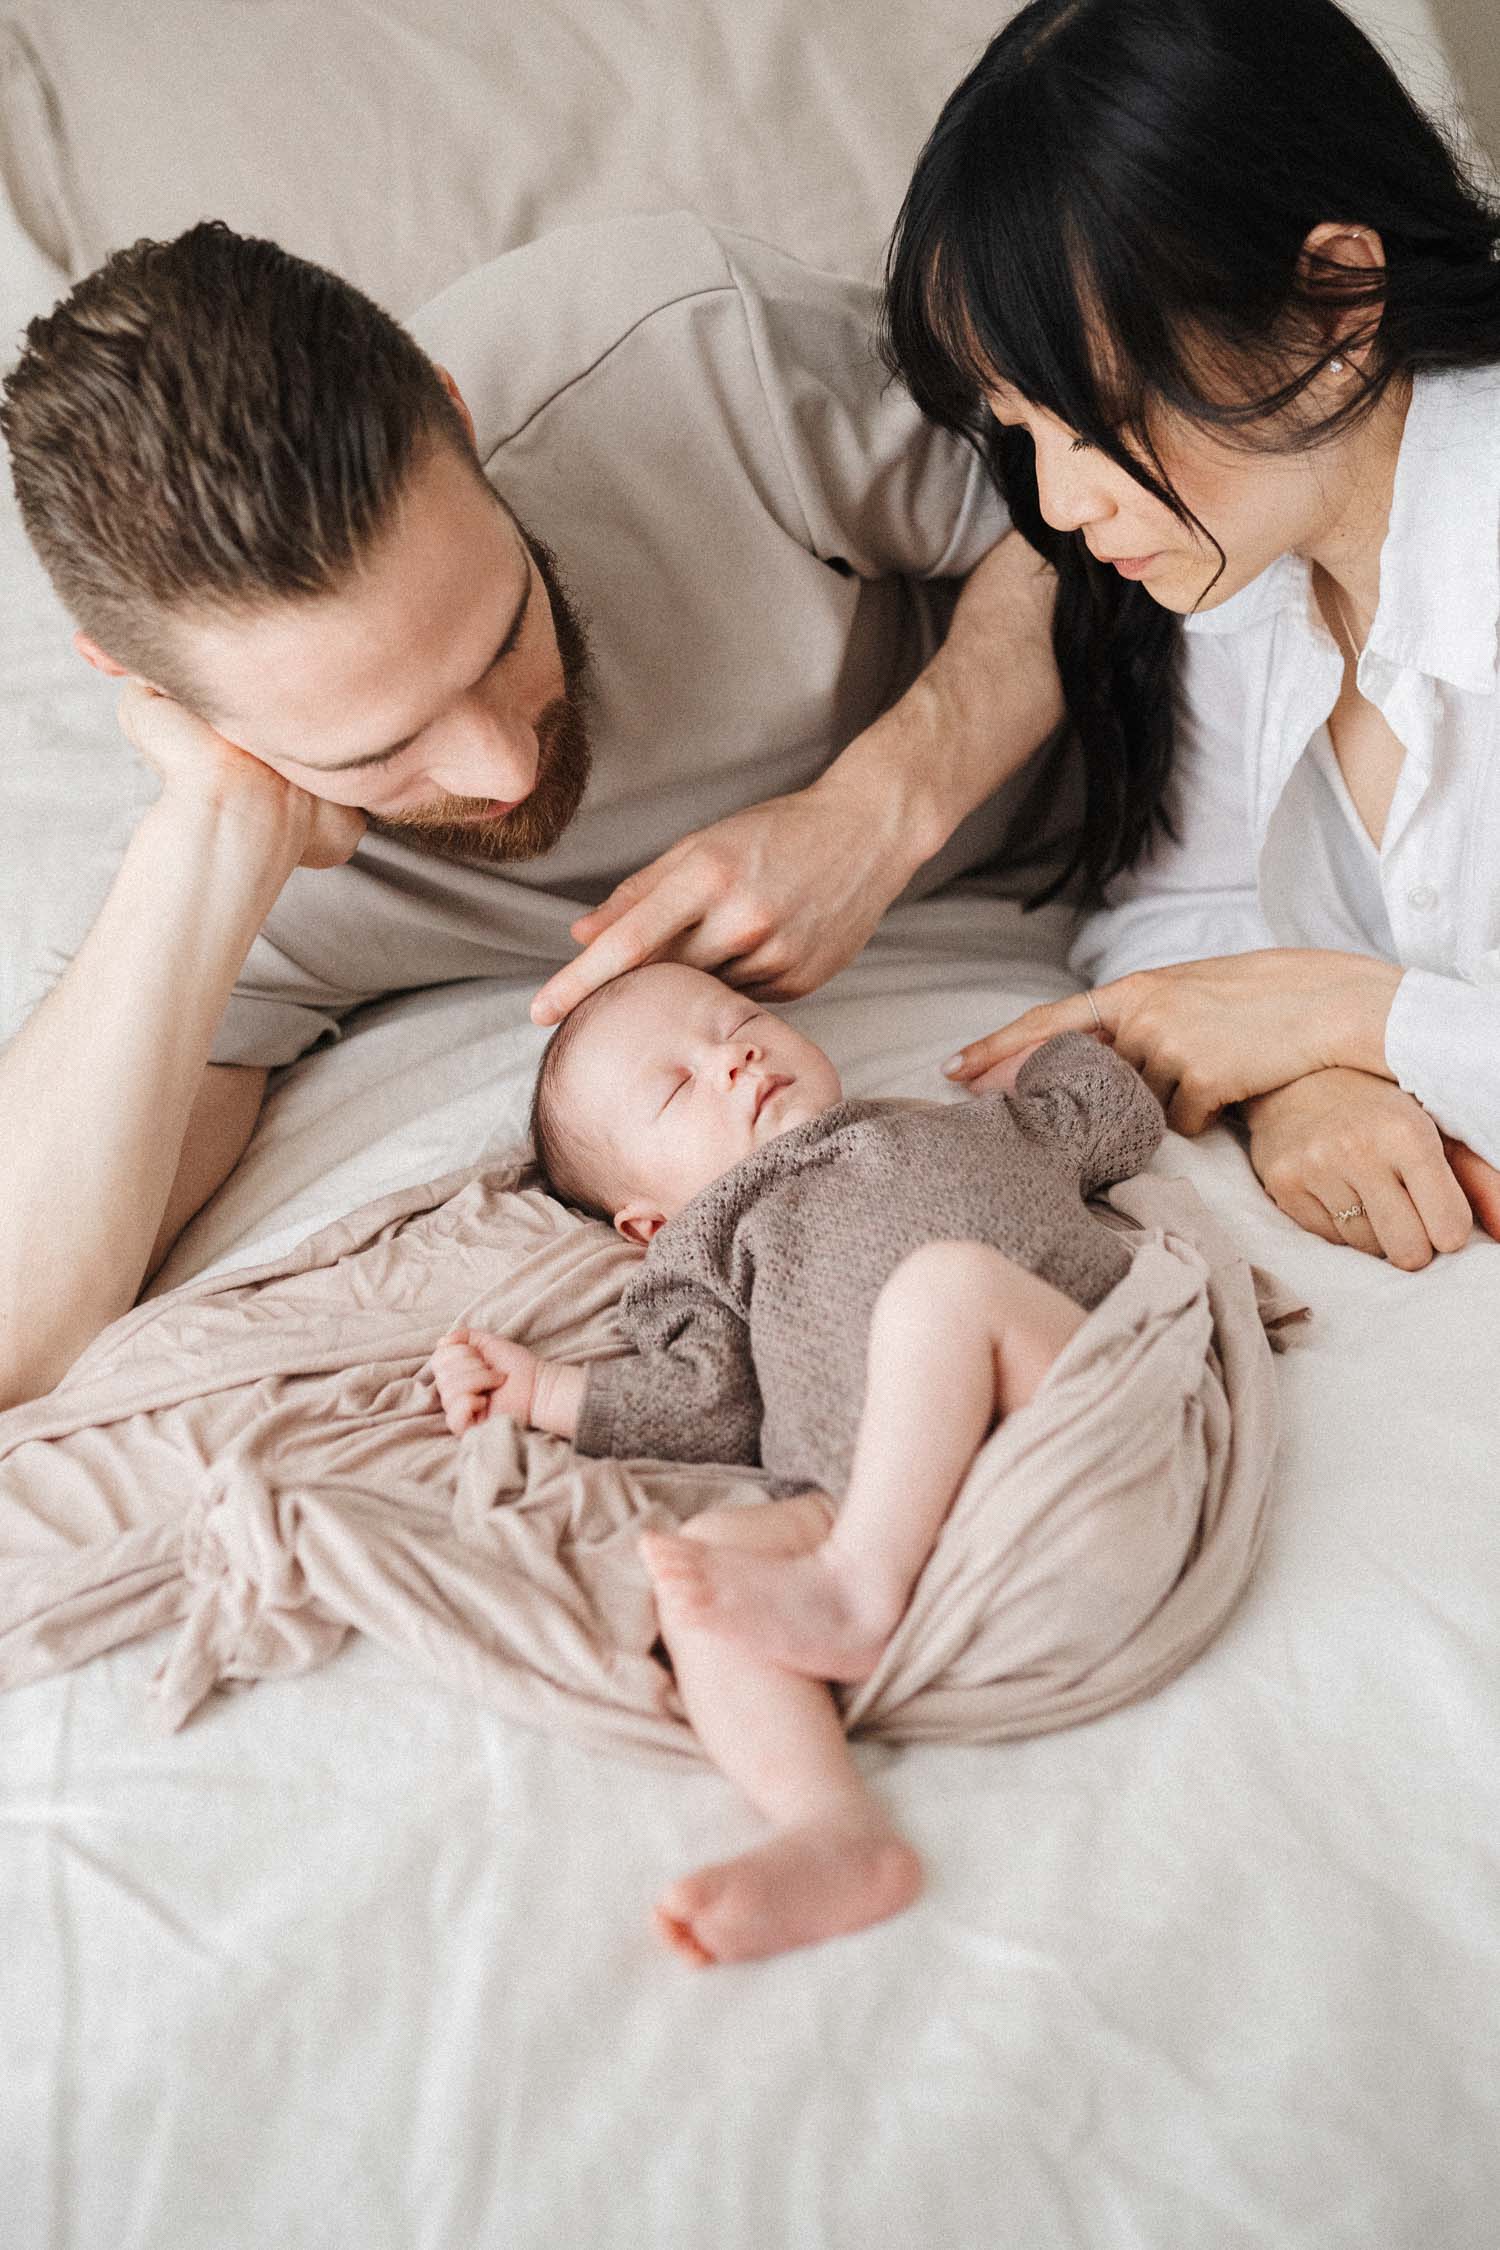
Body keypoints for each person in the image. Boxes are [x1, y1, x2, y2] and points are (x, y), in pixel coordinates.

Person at [0, 211, 1069, 1413]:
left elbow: (1097, 499)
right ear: (157, 691)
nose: (505, 768)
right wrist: (208, 832)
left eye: (503, 632)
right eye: (383, 750)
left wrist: (881, 807)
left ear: (458, 420)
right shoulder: (248, 847)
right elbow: (15, 1341)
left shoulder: (690, 357)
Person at [882, 0, 1500, 1271]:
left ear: (1336, 297)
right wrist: (1298, 1083)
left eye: (1096, 418)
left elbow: (1275, 993)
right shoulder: (1252, 566)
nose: (1060, 504)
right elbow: (1176, 911)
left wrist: (1355, 1019)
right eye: (1023, 430)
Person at [429, 959, 1165, 1963]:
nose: (731, 1058)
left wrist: (1059, 1056)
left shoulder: (959, 1129)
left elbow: (1110, 1116)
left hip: (1066, 1415)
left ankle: (859, 1590)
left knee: (943, 1291)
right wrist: (544, 1394)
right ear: (649, 1221)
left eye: (739, 1022)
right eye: (676, 1087)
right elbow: (709, 1404)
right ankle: (834, 1830)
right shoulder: (710, 1245)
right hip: (871, 1501)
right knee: (707, 1562)